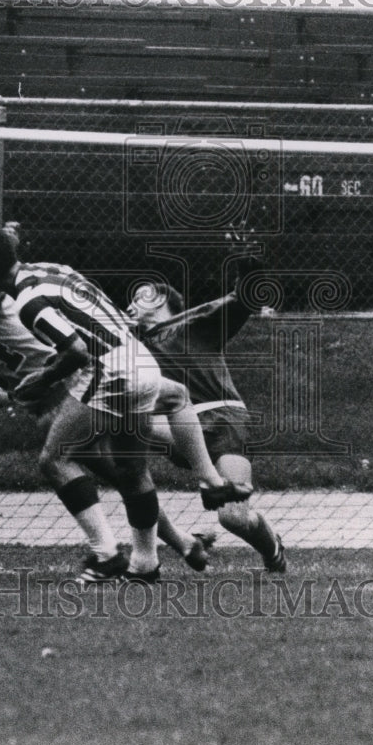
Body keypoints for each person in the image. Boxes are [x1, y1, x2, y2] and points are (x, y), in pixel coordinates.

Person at [0, 224, 249, 583]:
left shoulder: (28, 302)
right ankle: (147, 561)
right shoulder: (53, 269)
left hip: (110, 375)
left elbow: (76, 351)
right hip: (141, 362)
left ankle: (106, 555)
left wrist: (41, 378)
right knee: (131, 471)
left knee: (55, 458)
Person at [127, 239, 286, 573]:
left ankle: (272, 549)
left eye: (137, 298)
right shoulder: (131, 349)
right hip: (176, 427)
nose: (129, 306)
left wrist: (249, 265)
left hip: (222, 420)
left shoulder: (196, 324)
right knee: (120, 449)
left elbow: (247, 296)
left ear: (159, 300)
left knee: (233, 518)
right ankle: (174, 543)